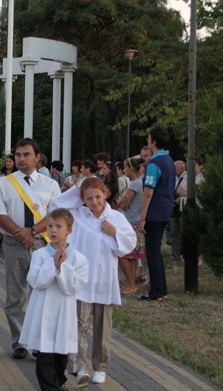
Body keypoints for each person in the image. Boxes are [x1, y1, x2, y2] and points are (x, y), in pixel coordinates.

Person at [45, 177, 136, 386]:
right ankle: (78, 365)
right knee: (79, 324)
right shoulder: (77, 216)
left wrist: (114, 232)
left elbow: (129, 244)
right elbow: (58, 203)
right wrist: (79, 186)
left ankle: (100, 366)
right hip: (82, 280)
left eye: (98, 196)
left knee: (102, 325)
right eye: (89, 198)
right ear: (82, 199)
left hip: (104, 281)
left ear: (105, 194)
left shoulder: (116, 218)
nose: (94, 202)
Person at [0, 138, 61, 359]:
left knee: (42, 293)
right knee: (16, 295)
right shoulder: (5, 183)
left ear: (37, 158)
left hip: (43, 244)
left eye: (26, 154)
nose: (21, 159)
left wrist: (32, 231)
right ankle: (19, 341)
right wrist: (21, 233)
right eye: (18, 155)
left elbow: (55, 214)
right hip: (13, 243)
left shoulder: (50, 185)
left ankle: (40, 342)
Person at [19, 209, 89, 391]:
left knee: (60, 354)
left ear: (69, 230)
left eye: (58, 226)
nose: (53, 230)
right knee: (45, 354)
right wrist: (52, 264)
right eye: (50, 226)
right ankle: (50, 387)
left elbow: (72, 287)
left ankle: (59, 381)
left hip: (63, 312)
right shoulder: (39, 255)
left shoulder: (79, 259)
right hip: (43, 311)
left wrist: (63, 266)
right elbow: (35, 280)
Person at [137, 127, 176, 302]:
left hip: (154, 211)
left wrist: (143, 217)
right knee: (156, 252)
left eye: (148, 138)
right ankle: (162, 289)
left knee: (152, 252)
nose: (147, 140)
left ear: (154, 141)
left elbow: (148, 192)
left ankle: (157, 292)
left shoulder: (154, 163)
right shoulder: (169, 160)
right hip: (165, 209)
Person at [117, 157, 146, 294]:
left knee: (123, 254)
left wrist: (121, 203)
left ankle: (130, 284)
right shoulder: (141, 182)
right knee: (132, 257)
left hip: (130, 222)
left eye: (125, 167)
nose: (123, 170)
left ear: (131, 168)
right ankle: (132, 281)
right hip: (136, 220)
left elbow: (125, 201)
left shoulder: (134, 184)